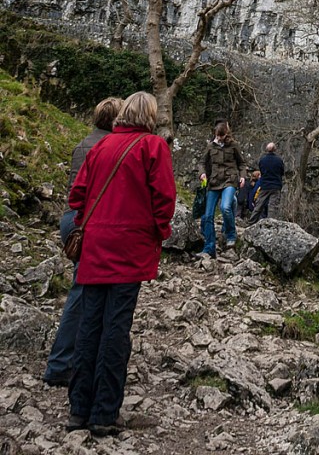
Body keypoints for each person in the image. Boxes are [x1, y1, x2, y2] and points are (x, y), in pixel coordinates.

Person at [67, 91, 176, 437]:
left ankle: (77, 410)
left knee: (89, 326)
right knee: (116, 329)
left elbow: (77, 195)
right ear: (149, 116)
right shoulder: (152, 146)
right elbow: (164, 197)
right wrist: (160, 231)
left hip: (97, 245)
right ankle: (103, 413)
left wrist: (89, 224)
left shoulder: (101, 146)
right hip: (130, 247)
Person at [43, 96, 124, 388]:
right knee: (81, 293)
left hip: (72, 219)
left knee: (85, 291)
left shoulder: (85, 142)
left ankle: (75, 358)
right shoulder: (108, 147)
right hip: (87, 222)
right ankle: (61, 363)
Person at [199, 122, 245, 257]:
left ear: (226, 134)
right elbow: (202, 162)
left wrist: (242, 177)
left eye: (221, 135)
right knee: (208, 215)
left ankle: (231, 235)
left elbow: (241, 163)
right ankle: (209, 247)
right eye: (217, 136)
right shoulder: (210, 146)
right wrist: (202, 173)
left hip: (229, 181)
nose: (219, 138)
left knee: (225, 207)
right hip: (213, 183)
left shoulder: (233, 145)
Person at [248, 142, 285, 223]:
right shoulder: (279, 160)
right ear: (275, 149)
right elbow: (282, 172)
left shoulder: (262, 160)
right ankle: (271, 224)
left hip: (265, 185)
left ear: (266, 149)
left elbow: (261, 171)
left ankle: (251, 222)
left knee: (259, 205)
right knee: (273, 206)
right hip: (276, 185)